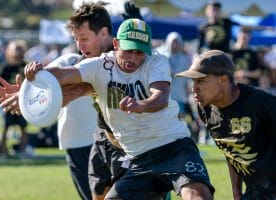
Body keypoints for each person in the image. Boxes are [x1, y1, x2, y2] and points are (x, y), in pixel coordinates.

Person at [23, 18, 214, 200]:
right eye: (128, 50)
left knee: (197, 195)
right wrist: (38, 74)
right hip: (140, 160)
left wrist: (140, 105)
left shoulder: (156, 61)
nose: (133, 58)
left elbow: (161, 97)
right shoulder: (100, 65)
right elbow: (64, 75)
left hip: (175, 149)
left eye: (139, 52)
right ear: (116, 44)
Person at [0, 2, 136, 200]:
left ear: (103, 33)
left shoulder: (124, 59)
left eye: (83, 38)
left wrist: (31, 95)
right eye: (76, 39)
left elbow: (79, 88)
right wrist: (30, 93)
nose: (79, 45)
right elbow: (73, 84)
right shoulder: (83, 61)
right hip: (103, 142)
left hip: (139, 144)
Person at [176, 49, 276, 200]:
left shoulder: (260, 103)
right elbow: (231, 152)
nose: (193, 87)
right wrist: (236, 194)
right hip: (256, 191)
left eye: (200, 81)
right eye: (193, 81)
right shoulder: (205, 108)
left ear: (223, 80)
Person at [0, 40, 28, 156]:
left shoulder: (26, 66)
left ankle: (22, 151)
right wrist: (0, 99)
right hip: (9, 102)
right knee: (5, 127)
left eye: (19, 49)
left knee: (23, 128)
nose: (17, 52)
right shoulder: (6, 67)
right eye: (15, 49)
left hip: (23, 103)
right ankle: (2, 152)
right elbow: (0, 85)